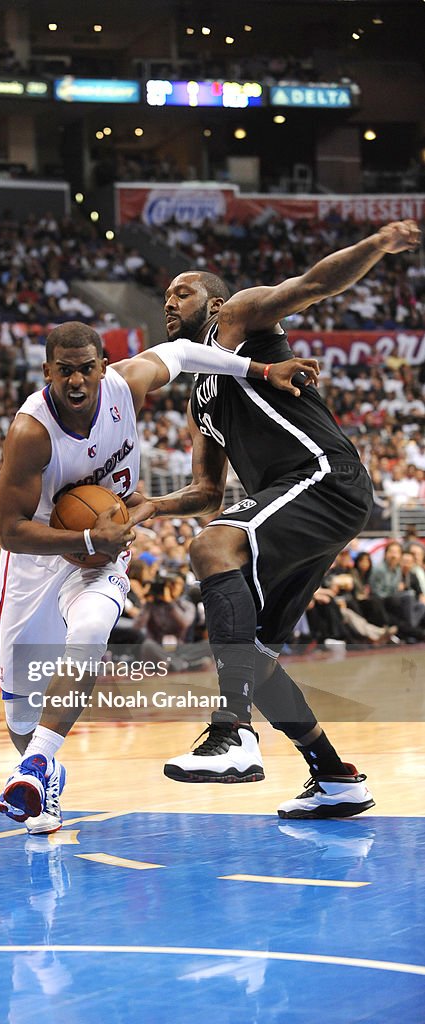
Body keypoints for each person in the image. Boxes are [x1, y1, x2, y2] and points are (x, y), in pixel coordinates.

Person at [0, 319, 319, 834]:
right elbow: (9, 532)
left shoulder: (127, 384)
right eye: (64, 372)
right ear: (46, 371)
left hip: (104, 552)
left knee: (92, 628)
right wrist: (83, 540)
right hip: (38, 559)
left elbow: (187, 351)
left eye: (86, 370)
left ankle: (37, 765)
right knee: (19, 714)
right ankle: (39, 774)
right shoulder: (30, 432)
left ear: (103, 366)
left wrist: (263, 369)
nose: (76, 382)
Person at [144, 219, 420, 818]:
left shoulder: (238, 321)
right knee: (255, 660)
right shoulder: (202, 393)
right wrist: (151, 506)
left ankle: (232, 733)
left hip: (324, 473)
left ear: (213, 303)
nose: (169, 302)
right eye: (164, 296)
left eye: (181, 293)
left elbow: (314, 283)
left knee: (213, 550)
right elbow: (205, 491)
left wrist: (376, 245)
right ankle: (336, 777)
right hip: (302, 496)